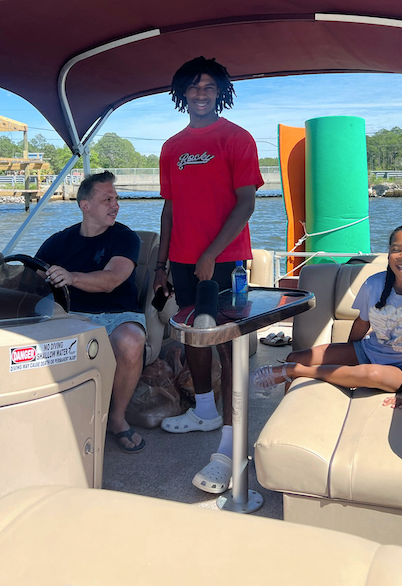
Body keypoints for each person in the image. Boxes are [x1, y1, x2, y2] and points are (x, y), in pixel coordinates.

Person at [154, 56, 263, 494]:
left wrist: (211, 254)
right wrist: (162, 265)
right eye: (193, 87)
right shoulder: (171, 146)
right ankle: (204, 411)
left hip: (224, 260)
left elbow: (246, 203)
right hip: (181, 261)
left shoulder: (237, 139)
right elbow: (170, 208)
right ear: (182, 94)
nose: (201, 93)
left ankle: (231, 447)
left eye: (208, 86)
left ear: (221, 92)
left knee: (226, 347)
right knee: (190, 337)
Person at [251, 224, 402, 410]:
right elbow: (361, 324)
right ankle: (290, 413)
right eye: (396, 249)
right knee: (296, 356)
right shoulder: (374, 283)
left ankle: (296, 371)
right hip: (369, 350)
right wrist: (346, 354)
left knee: (370, 374)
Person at [37, 171, 146, 453]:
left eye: (116, 198)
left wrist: (71, 277)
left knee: (131, 341)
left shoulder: (125, 238)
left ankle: (117, 419)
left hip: (118, 315)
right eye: (107, 199)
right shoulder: (59, 241)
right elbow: (33, 274)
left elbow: (111, 281)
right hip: (71, 315)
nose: (116, 205)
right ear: (85, 205)